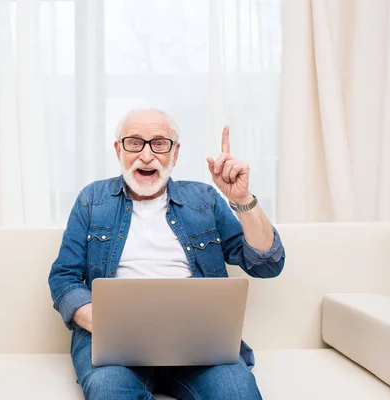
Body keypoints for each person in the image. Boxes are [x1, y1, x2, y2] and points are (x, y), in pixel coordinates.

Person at [48, 108, 286, 400]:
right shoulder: (92, 200)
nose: (146, 155)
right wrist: (106, 323)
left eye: (159, 143)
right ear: (118, 150)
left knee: (238, 392)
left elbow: (267, 264)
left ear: (175, 153)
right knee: (108, 391)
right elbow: (64, 277)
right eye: (134, 142)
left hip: (199, 343)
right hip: (114, 345)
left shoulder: (205, 200)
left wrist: (242, 200)